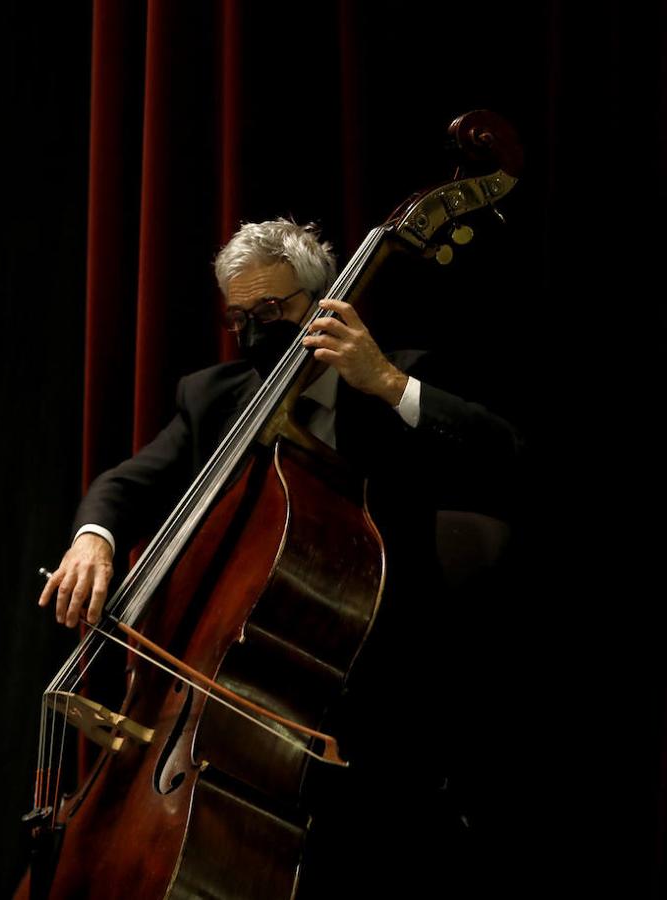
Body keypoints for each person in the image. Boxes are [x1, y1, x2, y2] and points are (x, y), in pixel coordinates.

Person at [37, 217, 521, 897]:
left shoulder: (395, 378)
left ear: (323, 302)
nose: (258, 329)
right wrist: (94, 538)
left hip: (379, 697)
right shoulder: (214, 397)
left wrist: (381, 379)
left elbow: (502, 454)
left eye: (275, 310)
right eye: (242, 317)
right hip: (242, 716)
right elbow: (127, 484)